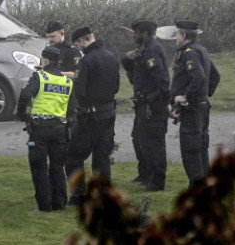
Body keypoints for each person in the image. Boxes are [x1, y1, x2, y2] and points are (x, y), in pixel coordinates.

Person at [16, 45, 76, 212]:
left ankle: (45, 205)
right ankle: (60, 204)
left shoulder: (39, 77)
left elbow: (26, 95)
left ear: (45, 60)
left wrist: (22, 115)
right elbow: (72, 108)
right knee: (57, 167)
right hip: (60, 130)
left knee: (39, 167)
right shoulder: (67, 81)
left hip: (40, 129)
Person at [65, 26, 120, 204]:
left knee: (73, 155)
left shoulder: (86, 61)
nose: (79, 47)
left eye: (78, 44)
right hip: (108, 113)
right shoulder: (111, 57)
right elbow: (117, 86)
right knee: (101, 158)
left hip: (90, 116)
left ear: (82, 41)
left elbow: (80, 90)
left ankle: (78, 194)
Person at [169, 19, 221, 186]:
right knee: (200, 147)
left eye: (177, 33)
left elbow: (198, 77)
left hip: (192, 110)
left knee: (190, 150)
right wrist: (205, 95)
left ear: (183, 35)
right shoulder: (201, 50)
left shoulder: (189, 51)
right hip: (202, 107)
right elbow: (215, 76)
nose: (175, 36)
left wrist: (187, 97)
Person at [121, 18, 169, 191]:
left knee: (153, 144)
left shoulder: (152, 51)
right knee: (140, 140)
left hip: (152, 106)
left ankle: (157, 181)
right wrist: (126, 57)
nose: (134, 35)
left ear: (146, 33)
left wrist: (153, 100)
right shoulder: (144, 49)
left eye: (137, 32)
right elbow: (131, 69)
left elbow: (163, 82)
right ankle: (145, 174)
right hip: (143, 105)